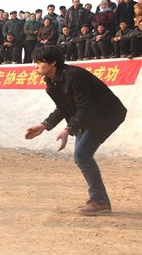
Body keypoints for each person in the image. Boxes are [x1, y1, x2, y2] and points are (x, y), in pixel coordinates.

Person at [25, 45, 127, 215]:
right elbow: (63, 107)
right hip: (86, 115)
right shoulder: (51, 83)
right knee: (81, 156)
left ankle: (99, 201)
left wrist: (68, 129)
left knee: (82, 154)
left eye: (39, 62)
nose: (35, 65)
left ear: (52, 62)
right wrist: (44, 125)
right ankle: (101, 201)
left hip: (107, 114)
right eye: (34, 62)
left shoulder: (74, 76)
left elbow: (84, 107)